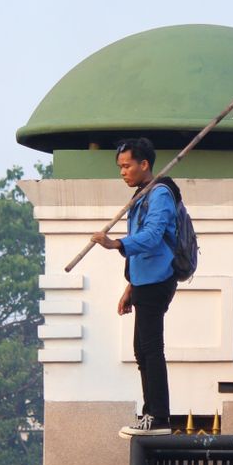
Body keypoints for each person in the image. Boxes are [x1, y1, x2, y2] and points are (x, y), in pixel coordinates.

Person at [91, 137, 179, 438]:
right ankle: (150, 412)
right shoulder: (142, 195)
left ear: (144, 164)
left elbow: (153, 236)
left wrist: (116, 243)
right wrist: (130, 285)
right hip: (143, 281)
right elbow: (144, 244)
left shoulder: (160, 194)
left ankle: (159, 416)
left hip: (158, 280)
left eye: (127, 166)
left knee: (152, 348)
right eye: (120, 167)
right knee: (141, 350)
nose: (123, 172)